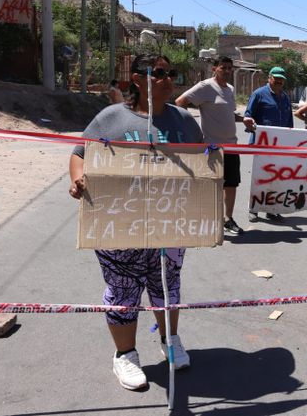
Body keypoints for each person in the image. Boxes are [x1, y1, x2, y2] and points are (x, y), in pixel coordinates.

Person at [68, 54, 203, 391]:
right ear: (138, 78)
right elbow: (79, 154)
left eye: (172, 72)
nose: (168, 78)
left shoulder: (185, 121)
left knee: (166, 284)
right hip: (119, 225)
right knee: (124, 289)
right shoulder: (110, 119)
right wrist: (79, 179)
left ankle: (169, 340)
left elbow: (204, 163)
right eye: (159, 73)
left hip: (169, 224)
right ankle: (125, 355)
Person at [175, 56, 245, 235]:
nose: (227, 71)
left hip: (231, 146)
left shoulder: (229, 89)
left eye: (230, 68)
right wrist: (189, 127)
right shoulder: (206, 86)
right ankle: (207, 220)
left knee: (231, 184)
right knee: (211, 185)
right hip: (212, 147)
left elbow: (230, 114)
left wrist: (244, 119)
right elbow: (180, 102)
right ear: (215, 68)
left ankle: (227, 219)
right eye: (224, 68)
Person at [244, 66, 293, 222]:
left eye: (281, 79)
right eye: (276, 78)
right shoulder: (258, 94)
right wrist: (250, 124)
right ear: (269, 78)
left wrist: (290, 140)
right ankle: (254, 208)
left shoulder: (285, 97)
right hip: (262, 144)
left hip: (279, 146)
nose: (278, 81)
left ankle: (270, 209)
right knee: (260, 178)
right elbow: (248, 115)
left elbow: (289, 122)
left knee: (275, 178)